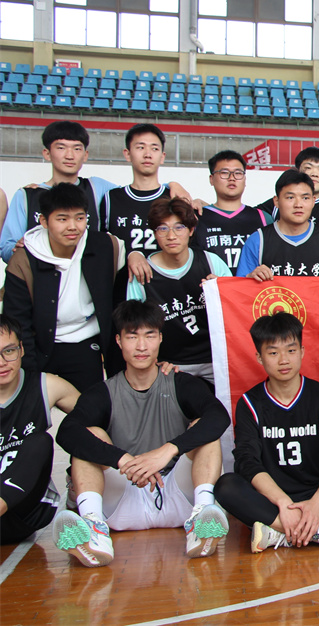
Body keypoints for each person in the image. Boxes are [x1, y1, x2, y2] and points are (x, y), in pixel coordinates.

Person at [53, 301, 231, 567]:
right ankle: (93, 527)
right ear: (118, 341)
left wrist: (167, 450)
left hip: (178, 497)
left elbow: (219, 416)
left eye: (149, 335)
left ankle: (202, 517)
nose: (141, 346)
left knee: (203, 427)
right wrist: (124, 460)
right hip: (124, 501)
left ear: (160, 338)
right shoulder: (104, 392)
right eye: (132, 336)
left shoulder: (180, 383)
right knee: (89, 435)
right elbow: (66, 432)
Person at [214, 312, 319, 553]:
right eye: (273, 353)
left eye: (291, 350)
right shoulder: (249, 403)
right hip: (273, 499)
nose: (283, 360)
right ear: (259, 357)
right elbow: (247, 462)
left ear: (302, 352)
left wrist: (317, 503)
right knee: (226, 486)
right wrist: (283, 503)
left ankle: (279, 533)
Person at [2, 183, 125, 392]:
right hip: (39, 345)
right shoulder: (24, 259)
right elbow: (18, 322)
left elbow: (119, 302)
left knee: (88, 405)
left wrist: (135, 255)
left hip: (86, 343)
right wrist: (29, 373)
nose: (73, 226)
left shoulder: (107, 247)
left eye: (80, 218)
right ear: (44, 221)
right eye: (62, 219)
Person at [126, 198, 231, 383]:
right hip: (170, 363)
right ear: (154, 233)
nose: (171, 236)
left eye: (179, 227)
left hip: (215, 359)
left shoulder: (211, 262)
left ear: (191, 230)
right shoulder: (142, 272)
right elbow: (135, 328)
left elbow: (235, 311)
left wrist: (223, 291)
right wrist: (152, 363)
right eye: (163, 228)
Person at [0, 314, 80, 544]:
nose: (2, 362)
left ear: (21, 349)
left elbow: (97, 420)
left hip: (25, 512)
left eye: (9, 351)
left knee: (39, 442)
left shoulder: (47, 386)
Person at [1, 121, 117, 262]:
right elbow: (6, 248)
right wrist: (18, 249)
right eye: (61, 148)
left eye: (77, 149)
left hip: (89, 272)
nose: (70, 155)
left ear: (85, 155)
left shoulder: (98, 187)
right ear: (47, 153)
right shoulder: (27, 195)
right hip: (41, 273)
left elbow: (134, 197)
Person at [100, 123, 191, 261]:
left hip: (165, 274)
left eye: (154, 149)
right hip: (123, 275)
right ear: (127, 154)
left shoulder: (174, 198)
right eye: (140, 147)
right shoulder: (111, 198)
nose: (148, 155)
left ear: (162, 156)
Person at [236, 169, 319, 281]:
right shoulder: (258, 240)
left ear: (313, 201)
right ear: (276, 201)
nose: (298, 205)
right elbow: (240, 286)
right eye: (290, 197)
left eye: (305, 198)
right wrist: (250, 278)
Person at [193, 150, 272, 270]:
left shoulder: (263, 218)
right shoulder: (197, 217)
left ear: (245, 179)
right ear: (211, 179)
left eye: (238, 173)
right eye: (224, 173)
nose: (232, 178)